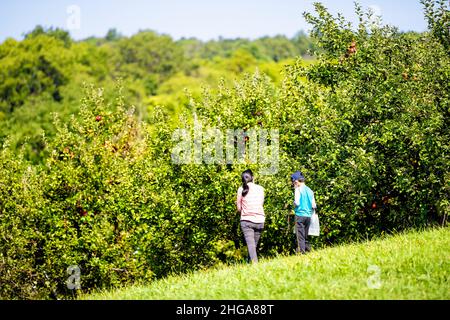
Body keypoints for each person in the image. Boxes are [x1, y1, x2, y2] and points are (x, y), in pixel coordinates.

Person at [236, 169, 265, 263]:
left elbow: (239, 209)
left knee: (251, 246)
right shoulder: (260, 188)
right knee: (253, 246)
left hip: (247, 220)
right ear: (253, 178)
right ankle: (249, 264)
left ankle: (255, 265)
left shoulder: (241, 189)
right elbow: (261, 203)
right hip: (260, 220)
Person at [291, 171, 316, 254]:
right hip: (308, 216)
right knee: (305, 235)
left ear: (296, 181)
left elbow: (297, 202)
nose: (293, 184)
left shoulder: (298, 189)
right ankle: (308, 250)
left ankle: (302, 252)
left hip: (300, 215)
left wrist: (293, 204)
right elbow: (314, 205)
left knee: (300, 236)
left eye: (293, 182)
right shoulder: (310, 190)